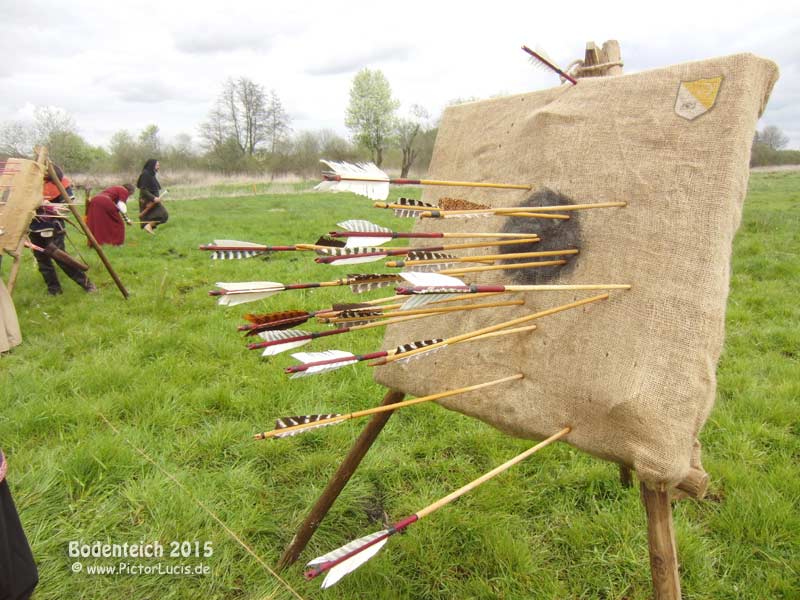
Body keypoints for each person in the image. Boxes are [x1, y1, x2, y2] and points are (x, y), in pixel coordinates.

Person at [28, 166, 97, 295]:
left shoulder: (61, 182)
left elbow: (67, 206)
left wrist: (48, 206)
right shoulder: (31, 182)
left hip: (53, 226)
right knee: (42, 261)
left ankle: (87, 285)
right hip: (34, 227)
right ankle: (54, 290)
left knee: (61, 258)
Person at [136, 159, 168, 234]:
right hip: (148, 201)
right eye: (157, 165)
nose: (158, 167)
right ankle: (148, 226)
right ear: (152, 165)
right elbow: (143, 189)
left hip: (153, 200)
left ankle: (149, 229)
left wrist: (156, 198)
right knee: (163, 215)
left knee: (158, 216)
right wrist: (153, 198)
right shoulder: (145, 174)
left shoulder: (151, 174)